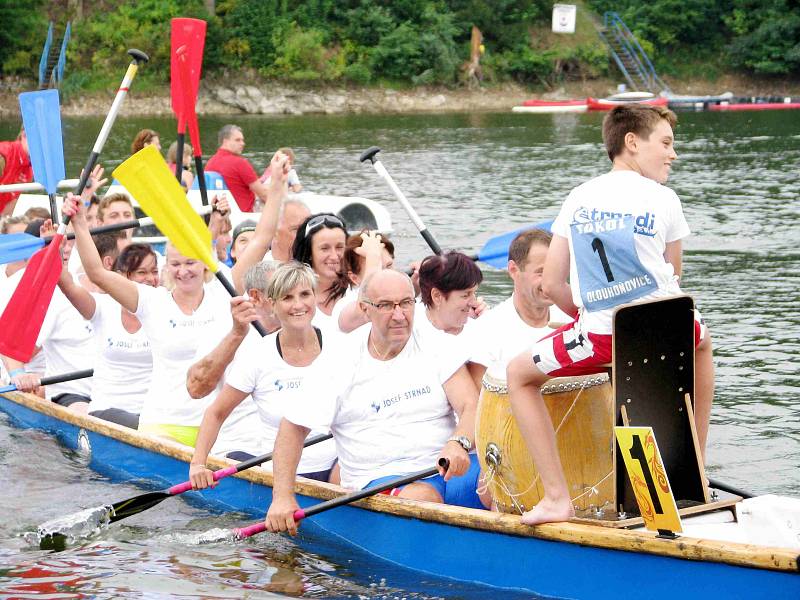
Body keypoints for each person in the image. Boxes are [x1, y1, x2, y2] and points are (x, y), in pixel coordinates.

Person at [507, 104, 714, 526]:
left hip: (606, 336)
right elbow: (673, 274)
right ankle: (698, 472)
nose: (673, 155)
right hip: (674, 329)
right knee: (704, 343)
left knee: (517, 375)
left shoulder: (579, 196)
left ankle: (556, 499)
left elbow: (550, 284)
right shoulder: (666, 199)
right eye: (667, 143)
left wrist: (578, 314)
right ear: (632, 143)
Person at [265, 270, 485, 536]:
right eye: (386, 306)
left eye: (406, 303)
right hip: (385, 478)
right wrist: (282, 498)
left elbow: (471, 406)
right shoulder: (337, 361)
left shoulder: (435, 343)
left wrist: (458, 442)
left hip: (451, 466)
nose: (399, 315)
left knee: (506, 485)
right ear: (364, 309)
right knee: (422, 498)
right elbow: (292, 430)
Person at [61, 193, 234, 446]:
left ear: (205, 264)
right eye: (175, 264)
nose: (183, 271)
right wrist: (79, 223)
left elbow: (258, 239)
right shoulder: (153, 301)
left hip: (213, 426)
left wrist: (219, 219)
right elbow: (97, 273)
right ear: (167, 267)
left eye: (190, 263)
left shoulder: (220, 296)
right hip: (161, 425)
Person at [189, 262, 338, 486]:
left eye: (305, 294)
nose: (298, 305)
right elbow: (216, 413)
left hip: (337, 467)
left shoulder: (341, 347)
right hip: (281, 473)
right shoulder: (257, 355)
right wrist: (198, 464)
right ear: (272, 305)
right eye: (287, 298)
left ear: (315, 297)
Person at [57, 241, 158, 429]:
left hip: (152, 414)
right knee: (146, 428)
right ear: (119, 277)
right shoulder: (102, 306)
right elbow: (68, 285)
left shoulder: (164, 308)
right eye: (141, 273)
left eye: (154, 271)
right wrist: (58, 253)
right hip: (106, 412)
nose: (150, 279)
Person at [468, 228, 573, 386]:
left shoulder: (575, 318)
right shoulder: (486, 330)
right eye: (541, 272)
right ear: (513, 270)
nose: (551, 281)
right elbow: (480, 405)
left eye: (556, 270)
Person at [291, 213, 348, 335]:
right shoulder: (290, 296)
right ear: (309, 253)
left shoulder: (360, 289)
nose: (334, 256)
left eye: (339, 247)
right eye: (325, 248)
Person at [417, 251, 487, 337]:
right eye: (465, 295)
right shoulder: (408, 327)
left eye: (474, 293)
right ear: (437, 296)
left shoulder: (482, 328)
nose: (474, 302)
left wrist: (487, 321)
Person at [206, 125, 273, 212]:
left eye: (242, 140)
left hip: (220, 214)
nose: (243, 143)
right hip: (244, 216)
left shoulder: (210, 163)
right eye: (238, 140)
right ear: (225, 142)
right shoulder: (239, 163)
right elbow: (264, 195)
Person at [0, 128, 32, 216]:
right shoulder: (3, 153)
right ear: (24, 135)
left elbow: (12, 201)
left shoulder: (29, 170)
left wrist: (3, 224)